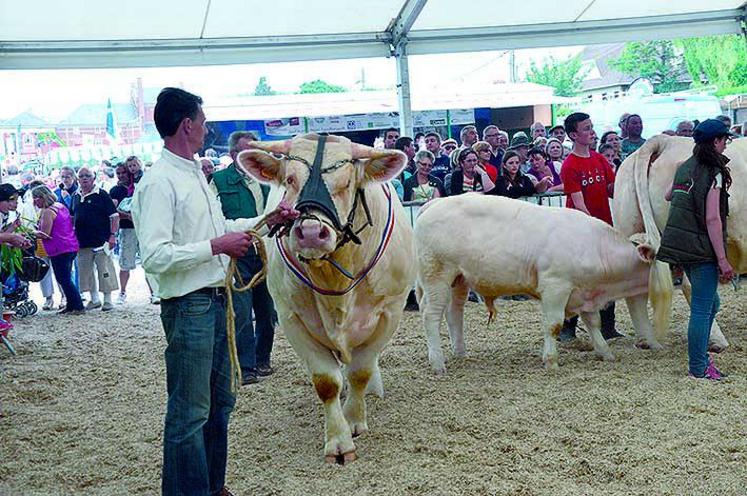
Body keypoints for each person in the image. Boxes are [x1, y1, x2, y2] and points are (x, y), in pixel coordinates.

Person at [131, 87, 298, 496]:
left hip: (216, 301)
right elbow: (154, 256)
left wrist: (266, 219)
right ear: (186, 125)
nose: (207, 130)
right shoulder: (159, 182)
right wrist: (216, 248)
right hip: (189, 305)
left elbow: (219, 229)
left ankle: (212, 485)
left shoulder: (194, 176)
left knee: (220, 403)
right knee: (189, 412)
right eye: (203, 123)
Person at [657, 119, 736, 380]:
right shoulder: (713, 172)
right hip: (701, 247)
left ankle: (699, 355)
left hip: (682, 245)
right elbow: (713, 218)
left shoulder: (685, 167)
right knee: (702, 310)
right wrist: (722, 259)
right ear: (715, 142)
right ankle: (699, 367)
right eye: (724, 139)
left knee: (711, 302)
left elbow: (669, 195)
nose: (726, 143)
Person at [210, 130, 277, 386]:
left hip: (266, 252)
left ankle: (263, 358)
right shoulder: (218, 180)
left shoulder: (269, 182)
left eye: (255, 151)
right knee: (240, 310)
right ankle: (246, 366)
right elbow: (217, 221)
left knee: (267, 310)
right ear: (232, 155)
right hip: (237, 254)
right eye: (245, 151)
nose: (252, 156)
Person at [558, 112, 623, 341]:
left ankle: (608, 326)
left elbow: (611, 190)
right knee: (579, 280)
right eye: (586, 128)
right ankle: (568, 327)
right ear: (574, 135)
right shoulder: (569, 165)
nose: (591, 132)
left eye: (591, 127)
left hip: (603, 228)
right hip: (581, 232)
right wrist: (597, 229)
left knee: (608, 278)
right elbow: (579, 204)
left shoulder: (599, 159)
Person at [71, 166, 120, 311]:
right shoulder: (75, 196)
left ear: (94, 178)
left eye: (87, 175)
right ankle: (94, 299)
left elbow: (114, 216)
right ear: (77, 179)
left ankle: (108, 300)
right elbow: (72, 216)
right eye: (81, 176)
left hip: (101, 239)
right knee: (86, 271)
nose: (84, 178)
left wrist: (112, 236)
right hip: (82, 241)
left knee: (104, 270)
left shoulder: (102, 194)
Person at [32, 185, 85, 315]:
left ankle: (77, 305)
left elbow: (45, 233)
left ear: (42, 198)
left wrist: (30, 232)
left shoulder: (48, 212)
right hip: (70, 245)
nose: (34, 202)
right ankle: (71, 305)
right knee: (66, 277)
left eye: (35, 198)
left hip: (59, 248)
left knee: (63, 279)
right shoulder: (60, 206)